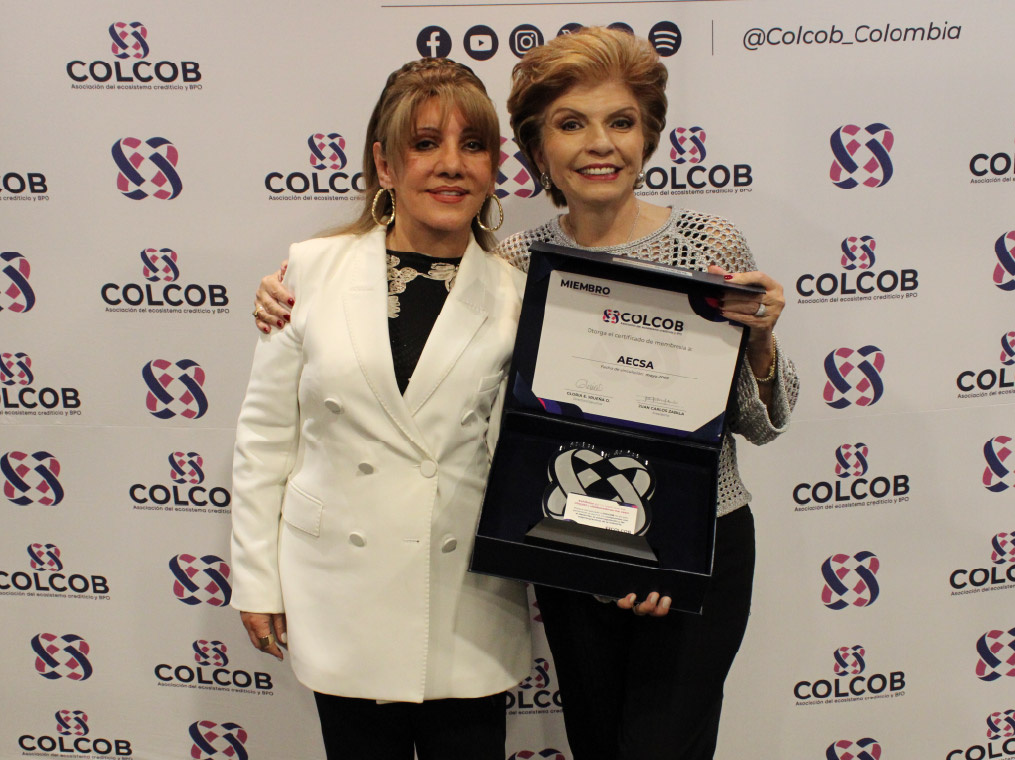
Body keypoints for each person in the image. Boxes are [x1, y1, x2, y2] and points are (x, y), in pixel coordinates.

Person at [252, 27, 799, 760]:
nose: (599, 144)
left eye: (621, 122)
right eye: (571, 125)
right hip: (574, 543)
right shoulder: (517, 261)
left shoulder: (709, 245)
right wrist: (281, 297)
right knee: (596, 744)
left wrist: (761, 341)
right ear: (537, 151)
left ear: (648, 137)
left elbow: (762, 423)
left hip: (693, 544)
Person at [231, 57, 531, 760]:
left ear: (494, 168)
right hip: (340, 590)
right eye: (425, 144)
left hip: (464, 596)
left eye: (473, 145)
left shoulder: (519, 294)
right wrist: (256, 579)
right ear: (386, 164)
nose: (451, 164)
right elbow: (265, 440)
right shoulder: (309, 271)